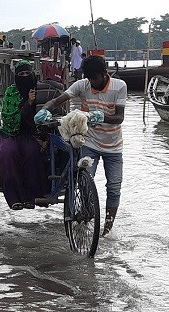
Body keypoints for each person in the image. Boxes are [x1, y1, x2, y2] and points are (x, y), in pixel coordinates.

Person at [35, 55, 127, 236]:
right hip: (89, 142)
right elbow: (58, 100)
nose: (93, 83)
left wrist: (100, 116)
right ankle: (87, 213)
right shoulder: (82, 85)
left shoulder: (119, 86)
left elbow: (119, 118)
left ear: (104, 74)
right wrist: (45, 109)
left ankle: (107, 229)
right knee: (84, 180)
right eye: (90, 79)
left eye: (96, 79)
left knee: (114, 186)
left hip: (113, 146)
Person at [0, 59, 49, 210]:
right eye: (21, 74)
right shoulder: (11, 91)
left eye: (27, 73)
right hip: (10, 134)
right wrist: (27, 103)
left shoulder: (40, 90)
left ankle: (32, 197)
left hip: (29, 134)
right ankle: (14, 198)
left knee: (32, 153)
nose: (25, 76)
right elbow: (8, 116)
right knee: (7, 154)